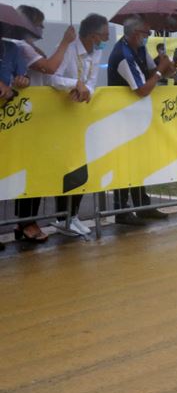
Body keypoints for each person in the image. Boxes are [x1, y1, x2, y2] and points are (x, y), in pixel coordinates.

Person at [9, 6, 76, 241]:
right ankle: (26, 221)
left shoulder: (30, 48)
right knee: (29, 171)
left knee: (32, 171)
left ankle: (25, 221)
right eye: (39, 23)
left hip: (35, 120)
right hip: (25, 119)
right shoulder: (22, 47)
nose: (42, 28)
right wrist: (66, 42)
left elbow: (49, 75)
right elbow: (50, 68)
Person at [107, 15, 174, 225]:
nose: (149, 37)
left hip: (135, 116)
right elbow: (143, 88)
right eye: (147, 33)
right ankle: (121, 210)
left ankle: (142, 205)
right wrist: (161, 72)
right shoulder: (124, 54)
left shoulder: (138, 48)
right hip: (122, 116)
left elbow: (150, 73)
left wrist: (166, 66)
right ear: (137, 34)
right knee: (124, 162)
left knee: (137, 162)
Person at [48, 13, 110, 236]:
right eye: (104, 36)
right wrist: (75, 84)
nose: (105, 40)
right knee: (65, 166)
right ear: (93, 35)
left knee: (82, 166)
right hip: (61, 116)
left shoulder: (97, 51)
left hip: (81, 115)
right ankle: (63, 216)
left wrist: (85, 91)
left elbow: (92, 83)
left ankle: (73, 215)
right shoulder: (69, 48)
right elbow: (53, 78)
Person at [0, 22, 34, 247]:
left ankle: (26, 222)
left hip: (9, 123)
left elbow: (24, 78)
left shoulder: (12, 49)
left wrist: (21, 82)